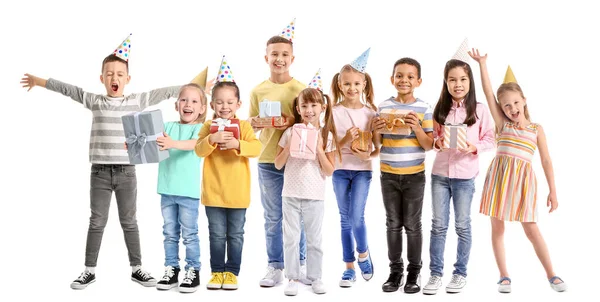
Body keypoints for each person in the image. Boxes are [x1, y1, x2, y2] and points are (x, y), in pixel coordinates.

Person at [20, 34, 179, 289]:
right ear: (102, 78)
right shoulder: (94, 100)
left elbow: (166, 92)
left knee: (129, 221)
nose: (114, 78)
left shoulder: (136, 100)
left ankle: (137, 268)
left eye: (119, 74)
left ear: (128, 79)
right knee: (97, 221)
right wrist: (39, 81)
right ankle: (89, 270)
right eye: (109, 74)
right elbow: (68, 90)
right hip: (100, 173)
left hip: (127, 172)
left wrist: (195, 89)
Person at [470, 48, 567, 293]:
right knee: (497, 227)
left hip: (523, 183)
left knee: (531, 229)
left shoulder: (536, 129)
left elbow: (546, 161)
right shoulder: (503, 125)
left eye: (515, 102)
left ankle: (552, 274)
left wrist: (553, 191)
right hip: (500, 180)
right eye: (506, 105)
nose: (512, 108)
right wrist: (482, 64)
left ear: (524, 100)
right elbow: (487, 92)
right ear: (501, 109)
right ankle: (504, 276)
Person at [423, 57, 495, 295]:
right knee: (438, 226)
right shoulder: (440, 108)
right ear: (446, 82)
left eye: (463, 79)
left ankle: (460, 273)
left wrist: (474, 147)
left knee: (462, 226)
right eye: (452, 79)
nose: (458, 84)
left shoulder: (479, 109)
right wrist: (437, 142)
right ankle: (435, 274)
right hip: (440, 174)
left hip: (465, 176)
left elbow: (490, 139)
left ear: (469, 81)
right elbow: (432, 139)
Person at [248, 19, 309, 287]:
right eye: (274, 54)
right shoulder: (257, 90)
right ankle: (275, 266)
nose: (279, 59)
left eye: (284, 55)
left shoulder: (301, 89)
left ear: (292, 58)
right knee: (273, 216)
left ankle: (300, 263)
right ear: (266, 57)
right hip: (267, 160)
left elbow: (311, 122)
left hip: (296, 160)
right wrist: (257, 122)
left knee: (298, 214)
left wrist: (290, 122)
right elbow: (250, 123)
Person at [195, 56, 262, 291]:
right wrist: (211, 139)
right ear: (212, 105)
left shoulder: (243, 127)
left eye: (230, 102)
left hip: (238, 193)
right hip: (213, 191)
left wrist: (237, 145)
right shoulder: (207, 126)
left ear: (238, 104)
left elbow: (256, 149)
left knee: (235, 234)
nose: (225, 107)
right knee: (216, 234)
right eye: (220, 103)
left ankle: (232, 272)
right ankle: (216, 272)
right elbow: (198, 151)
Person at [274, 75, 339, 295]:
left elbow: (329, 170)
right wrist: (290, 145)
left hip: (315, 195)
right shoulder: (290, 132)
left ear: (322, 107)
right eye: (304, 105)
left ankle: (315, 276)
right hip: (290, 193)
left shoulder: (326, 135)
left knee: (314, 239)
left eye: (314, 105)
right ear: (298, 109)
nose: (309, 109)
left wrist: (319, 149)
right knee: (291, 238)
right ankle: (292, 277)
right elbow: (277, 164)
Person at [374, 57, 434, 294]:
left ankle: (414, 272)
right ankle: (395, 271)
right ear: (392, 79)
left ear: (418, 81)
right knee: (392, 224)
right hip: (388, 173)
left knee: (412, 224)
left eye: (410, 76)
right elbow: (378, 144)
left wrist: (417, 127)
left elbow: (429, 145)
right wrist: (375, 130)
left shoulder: (424, 108)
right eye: (399, 75)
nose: (404, 80)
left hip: (414, 175)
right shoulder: (383, 107)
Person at [330, 52, 379, 287]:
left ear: (364, 84)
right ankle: (348, 267)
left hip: (362, 170)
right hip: (340, 170)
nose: (352, 88)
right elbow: (328, 147)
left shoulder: (371, 113)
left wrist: (367, 154)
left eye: (356, 83)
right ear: (340, 84)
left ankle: (363, 254)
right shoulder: (333, 111)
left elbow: (377, 149)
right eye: (347, 83)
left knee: (356, 217)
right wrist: (344, 141)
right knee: (344, 220)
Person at [153, 83, 208, 293]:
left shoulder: (200, 129)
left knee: (190, 234)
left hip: (188, 192)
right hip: (167, 189)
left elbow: (194, 144)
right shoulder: (167, 126)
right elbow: (152, 140)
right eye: (184, 100)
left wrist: (172, 143)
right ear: (177, 105)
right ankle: (171, 268)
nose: (188, 104)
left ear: (202, 108)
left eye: (194, 101)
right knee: (169, 233)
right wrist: (134, 143)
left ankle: (193, 269)